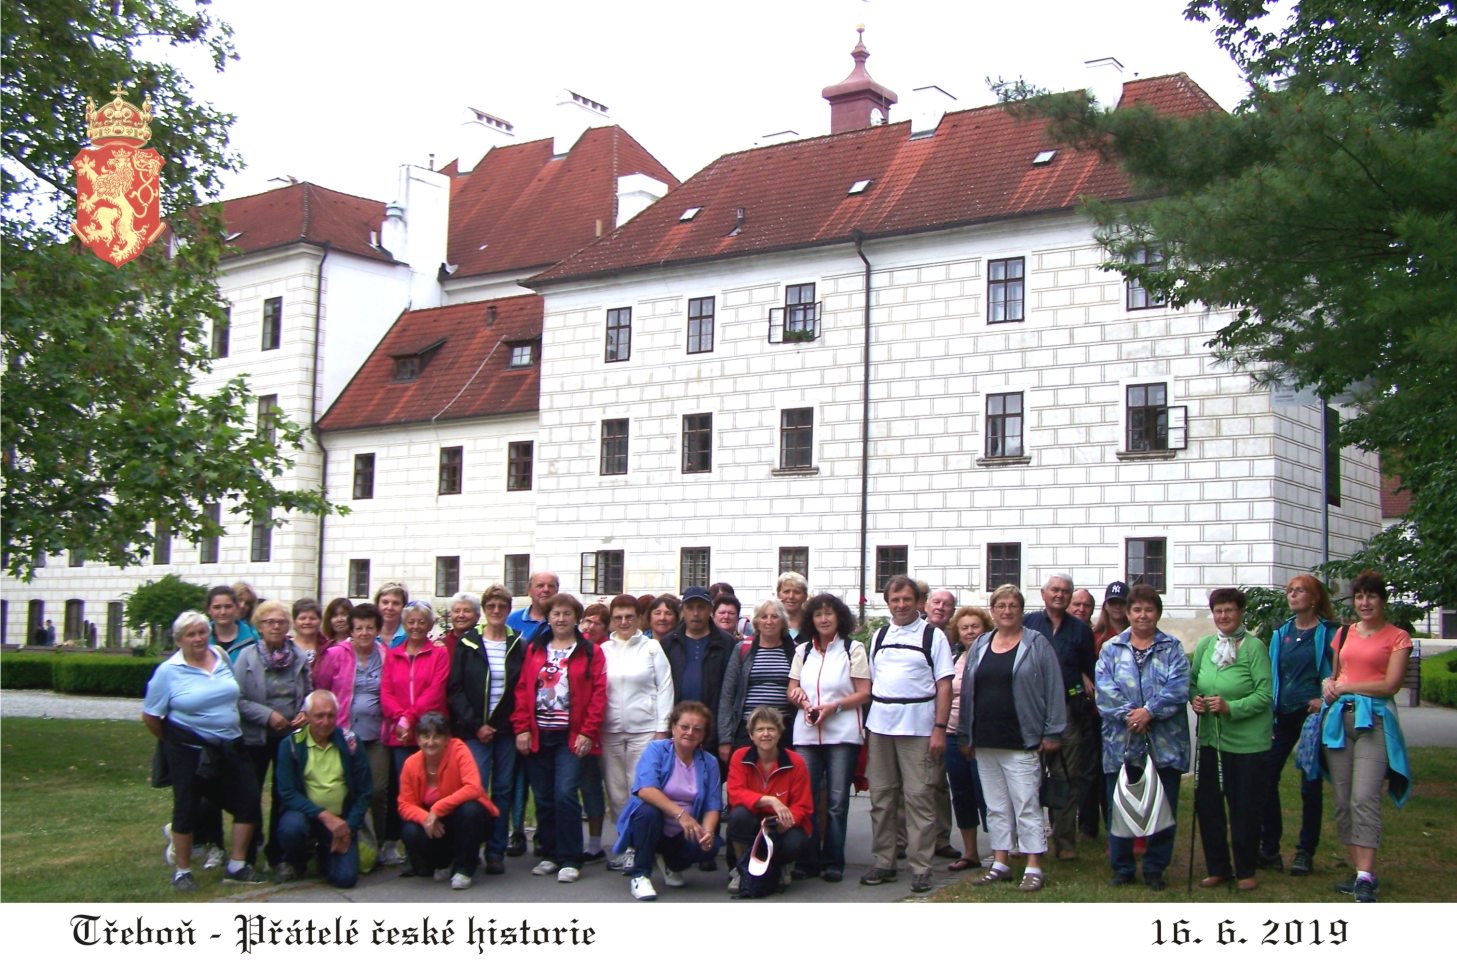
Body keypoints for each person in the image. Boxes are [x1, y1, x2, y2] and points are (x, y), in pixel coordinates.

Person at [143, 611, 265, 890]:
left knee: (248, 801)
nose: (198, 639)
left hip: (231, 744)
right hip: (189, 750)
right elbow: (151, 716)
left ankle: (236, 865)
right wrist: (174, 741)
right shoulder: (168, 672)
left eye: (201, 632)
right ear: (179, 640)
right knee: (187, 807)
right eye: (191, 634)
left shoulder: (220, 656)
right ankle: (183, 871)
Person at [957, 585, 1064, 893]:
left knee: (1027, 803)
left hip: (1022, 739)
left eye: (1012, 605)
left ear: (1021, 610)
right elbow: (967, 693)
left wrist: (1053, 730)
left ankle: (1033, 864)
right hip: (986, 739)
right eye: (1001, 605)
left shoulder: (1036, 644)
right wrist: (965, 733)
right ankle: (1000, 861)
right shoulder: (980, 644)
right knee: (996, 805)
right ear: (993, 610)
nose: (1006, 611)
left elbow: (1054, 689)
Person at [1321, 570, 1413, 903]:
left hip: (1373, 721)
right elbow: (1335, 676)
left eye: (1371, 596)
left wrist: (1347, 686)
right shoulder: (1343, 634)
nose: (1364, 602)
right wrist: (1329, 686)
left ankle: (1364, 876)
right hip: (1339, 721)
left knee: (1364, 797)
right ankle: (1361, 870)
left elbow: (1390, 685)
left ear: (1382, 600)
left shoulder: (1397, 637)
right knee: (1343, 800)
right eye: (1360, 596)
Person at [860, 575, 954, 894]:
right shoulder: (880, 635)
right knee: (882, 797)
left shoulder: (933, 636)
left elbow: (944, 685)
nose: (900, 605)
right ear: (887, 603)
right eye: (894, 600)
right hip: (881, 726)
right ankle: (884, 861)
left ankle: (921, 866)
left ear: (918, 602)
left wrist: (939, 729)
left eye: (906, 599)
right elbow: (872, 682)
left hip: (918, 727)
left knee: (919, 798)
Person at [1095, 583, 1190, 891]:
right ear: (1128, 612)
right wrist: (1130, 715)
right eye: (1137, 609)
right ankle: (1122, 867)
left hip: (1164, 742)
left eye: (1149, 609)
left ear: (1158, 613)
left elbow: (1178, 688)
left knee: (1163, 806)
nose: (1143, 615)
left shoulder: (1172, 648)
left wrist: (1149, 711)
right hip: (1121, 742)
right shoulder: (1111, 648)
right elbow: (1104, 690)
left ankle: (1155, 868)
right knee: (1120, 805)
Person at [512, 593, 607, 884]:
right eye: (556, 614)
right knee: (543, 796)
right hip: (540, 733)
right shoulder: (535, 649)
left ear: (576, 618)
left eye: (567, 613)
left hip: (571, 735)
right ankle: (549, 854)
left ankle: (570, 857)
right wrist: (522, 728)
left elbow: (598, 695)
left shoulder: (589, 651)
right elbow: (523, 689)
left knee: (565, 793)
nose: (561, 619)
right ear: (549, 617)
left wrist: (587, 732)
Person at [1190, 587, 1273, 891]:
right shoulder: (1205, 645)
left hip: (1247, 743)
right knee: (1208, 805)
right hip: (1212, 740)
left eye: (1229, 610)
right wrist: (1195, 700)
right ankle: (1218, 868)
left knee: (1244, 807)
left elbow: (1265, 694)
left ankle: (1246, 869)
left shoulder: (1254, 647)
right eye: (1218, 611)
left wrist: (1231, 707)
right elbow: (1192, 681)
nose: (1223, 616)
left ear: (1241, 613)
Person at [786, 592, 869, 882]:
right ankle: (807, 860)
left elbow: (864, 692)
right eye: (818, 614)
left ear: (839, 618)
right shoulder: (803, 651)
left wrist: (834, 707)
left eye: (829, 614)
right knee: (806, 798)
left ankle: (834, 860)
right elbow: (792, 688)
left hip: (842, 732)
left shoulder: (852, 648)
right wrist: (799, 699)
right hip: (807, 733)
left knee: (836, 801)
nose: (823, 619)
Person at [1259, 573, 1338, 876]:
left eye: (1299, 590)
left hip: (1313, 715)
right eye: (1289, 590)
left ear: (1315, 598)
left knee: (1310, 782)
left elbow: (1340, 672)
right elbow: (1273, 674)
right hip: (1283, 714)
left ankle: (1305, 851)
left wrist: (1323, 699)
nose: (1292, 595)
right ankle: (1269, 848)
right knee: (1267, 774)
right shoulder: (1281, 634)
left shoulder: (1330, 633)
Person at [447, 583, 524, 876]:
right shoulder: (468, 642)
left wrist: (498, 725)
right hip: (473, 732)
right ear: (484, 610)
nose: (495, 611)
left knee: (502, 791)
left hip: (504, 732)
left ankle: (495, 850)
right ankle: (469, 849)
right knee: (473, 790)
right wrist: (477, 726)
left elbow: (519, 689)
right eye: (490, 606)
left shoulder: (517, 642)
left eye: (501, 607)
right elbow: (455, 689)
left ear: (507, 610)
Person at [1022, 572, 1097, 861]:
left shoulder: (1080, 630)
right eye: (1054, 590)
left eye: (1066, 591)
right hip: (1031, 708)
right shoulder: (1028, 623)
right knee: (1028, 776)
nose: (1060, 595)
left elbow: (1089, 668)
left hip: (1068, 710)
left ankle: (1064, 842)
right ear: (1043, 594)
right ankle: (1029, 841)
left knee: (1067, 775)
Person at [614, 701, 722, 901]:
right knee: (648, 812)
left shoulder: (710, 762)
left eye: (697, 729)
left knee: (711, 845)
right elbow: (645, 789)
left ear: (703, 736)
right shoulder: (656, 749)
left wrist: (707, 832)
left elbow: (713, 805)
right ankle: (641, 875)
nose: (690, 732)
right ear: (673, 728)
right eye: (684, 727)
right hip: (652, 823)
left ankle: (671, 864)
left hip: (682, 832)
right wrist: (681, 815)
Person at [233, 598, 311, 869]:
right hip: (256, 737)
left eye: (280, 622)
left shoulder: (299, 656)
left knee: (284, 793)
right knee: (250, 794)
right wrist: (267, 716)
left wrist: (305, 711)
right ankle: (250, 851)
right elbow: (238, 699)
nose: (276, 627)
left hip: (289, 735)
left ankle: (278, 853)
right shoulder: (247, 657)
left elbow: (308, 692)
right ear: (259, 627)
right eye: (269, 622)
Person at [598, 593, 674, 871]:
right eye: (618, 617)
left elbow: (665, 687)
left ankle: (642, 846)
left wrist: (661, 729)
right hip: (611, 732)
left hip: (645, 732)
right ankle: (624, 845)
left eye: (629, 616)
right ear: (611, 621)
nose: (624, 621)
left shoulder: (652, 648)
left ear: (639, 618)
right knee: (617, 793)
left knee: (640, 790)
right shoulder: (603, 650)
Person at [312, 603, 391, 863]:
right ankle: (349, 843)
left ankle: (377, 843)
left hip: (377, 732)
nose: (364, 633)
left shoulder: (385, 654)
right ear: (351, 630)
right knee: (348, 789)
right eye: (359, 628)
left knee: (378, 790)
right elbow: (321, 688)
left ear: (377, 630)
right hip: (344, 732)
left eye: (370, 628)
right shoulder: (337, 654)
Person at [273, 689, 374, 887]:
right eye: (319, 716)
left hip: (341, 821)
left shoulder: (351, 742)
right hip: (307, 817)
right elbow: (287, 792)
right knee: (292, 828)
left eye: (330, 715)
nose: (325, 722)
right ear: (307, 716)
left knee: (345, 879)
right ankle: (298, 860)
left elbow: (364, 792)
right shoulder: (291, 744)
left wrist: (349, 828)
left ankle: (324, 855)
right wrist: (324, 816)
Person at [380, 600, 450, 864]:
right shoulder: (393, 654)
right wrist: (400, 720)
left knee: (432, 789)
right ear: (404, 624)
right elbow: (386, 692)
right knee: (406, 791)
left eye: (422, 622)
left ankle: (436, 848)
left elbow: (435, 690)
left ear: (430, 625)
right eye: (411, 622)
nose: (416, 626)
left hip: (430, 733)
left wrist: (408, 718)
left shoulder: (439, 654)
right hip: (400, 736)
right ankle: (410, 850)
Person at [398, 712, 498, 889]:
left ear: (447, 739)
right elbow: (405, 804)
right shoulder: (411, 764)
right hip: (437, 824)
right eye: (425, 736)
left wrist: (437, 808)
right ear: (418, 740)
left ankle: (465, 869)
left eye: (437, 736)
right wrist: (425, 818)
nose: (430, 742)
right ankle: (442, 861)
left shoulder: (459, 749)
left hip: (464, 818)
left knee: (470, 810)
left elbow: (474, 787)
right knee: (410, 830)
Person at [725, 706, 813, 896]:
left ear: (780, 733)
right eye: (760, 729)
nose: (766, 734)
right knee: (738, 816)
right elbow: (735, 793)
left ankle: (780, 867)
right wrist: (769, 801)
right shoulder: (740, 757)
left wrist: (786, 822)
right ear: (751, 735)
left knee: (794, 842)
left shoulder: (796, 762)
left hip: (781, 824)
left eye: (771, 729)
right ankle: (742, 870)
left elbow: (803, 805)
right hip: (752, 819)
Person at [718, 598, 797, 758]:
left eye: (774, 617)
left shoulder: (794, 652)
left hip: (783, 729)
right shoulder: (742, 649)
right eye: (763, 617)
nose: (769, 621)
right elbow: (727, 694)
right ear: (756, 622)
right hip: (747, 728)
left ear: (782, 621)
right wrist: (725, 739)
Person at [944, 605, 991, 872]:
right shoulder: (953, 659)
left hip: (982, 736)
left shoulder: (992, 655)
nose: (970, 631)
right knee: (961, 794)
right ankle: (970, 852)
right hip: (953, 734)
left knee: (987, 794)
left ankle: (1000, 850)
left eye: (975, 626)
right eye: (965, 627)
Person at [660, 587, 736, 713]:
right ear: (682, 610)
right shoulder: (669, 643)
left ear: (710, 610)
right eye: (690, 607)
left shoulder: (727, 643)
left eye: (701, 607)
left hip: (712, 721)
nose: (695, 613)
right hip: (677, 721)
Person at [207, 585, 258, 661]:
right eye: (217, 607)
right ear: (208, 610)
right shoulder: (200, 638)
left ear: (237, 608)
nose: (223, 612)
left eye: (228, 607)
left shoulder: (253, 639)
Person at [508, 571, 559, 643]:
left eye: (551, 586)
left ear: (557, 591)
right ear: (529, 591)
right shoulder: (512, 620)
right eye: (540, 586)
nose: (546, 589)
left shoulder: (563, 621)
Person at [439, 591, 482, 664]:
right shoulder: (442, 644)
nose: (461, 615)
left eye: (467, 611)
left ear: (477, 616)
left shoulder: (484, 641)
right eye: (457, 611)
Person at [1092, 581, 1130, 652]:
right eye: (1112, 602)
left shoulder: (1137, 635)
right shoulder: (1094, 636)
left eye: (1122, 602)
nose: (1117, 606)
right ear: (1105, 606)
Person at [291, 598, 326, 666]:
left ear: (320, 621)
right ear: (294, 621)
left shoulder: (328, 649)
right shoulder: (285, 647)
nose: (307, 622)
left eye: (312, 618)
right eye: (302, 618)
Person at [776, 572, 809, 643]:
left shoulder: (812, 622)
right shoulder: (772, 621)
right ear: (778, 594)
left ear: (805, 596)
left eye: (797, 592)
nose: (791, 596)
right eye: (786, 592)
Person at [373, 582, 408, 647]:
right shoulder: (368, 634)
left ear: (403, 606)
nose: (389, 608)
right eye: (385, 602)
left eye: (396, 603)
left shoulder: (410, 636)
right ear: (377, 604)